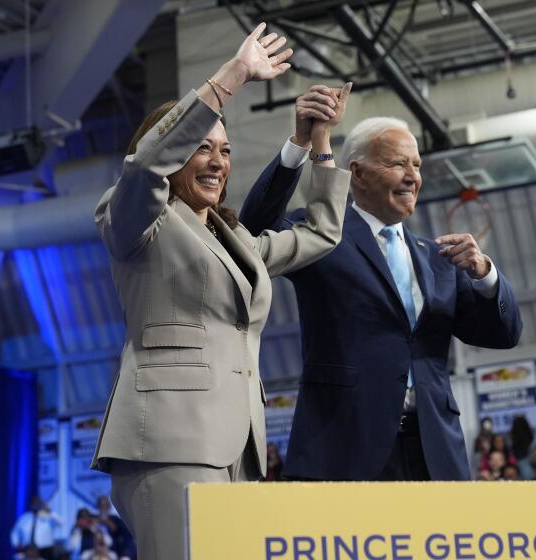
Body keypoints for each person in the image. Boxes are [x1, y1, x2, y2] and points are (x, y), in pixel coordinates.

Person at [89, 23, 351, 559]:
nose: (217, 161)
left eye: (226, 151)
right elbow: (147, 164)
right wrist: (234, 76)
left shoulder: (239, 243)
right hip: (169, 444)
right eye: (202, 148)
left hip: (241, 449)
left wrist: (316, 137)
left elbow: (322, 232)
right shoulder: (138, 219)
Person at [240, 116, 522, 481]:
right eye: (398, 164)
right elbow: (254, 227)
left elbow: (504, 334)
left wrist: (485, 274)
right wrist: (299, 143)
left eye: (416, 165)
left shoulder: (438, 258)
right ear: (357, 173)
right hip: (345, 448)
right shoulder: (322, 237)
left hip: (434, 454)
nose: (413, 176)